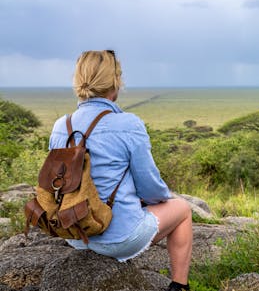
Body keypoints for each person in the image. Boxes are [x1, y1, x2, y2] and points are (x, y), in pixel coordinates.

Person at [49, 50, 192, 291]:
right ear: (115, 83)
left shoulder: (61, 125)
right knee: (183, 209)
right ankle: (180, 286)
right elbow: (150, 187)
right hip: (118, 240)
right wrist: (156, 201)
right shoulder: (129, 124)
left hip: (75, 233)